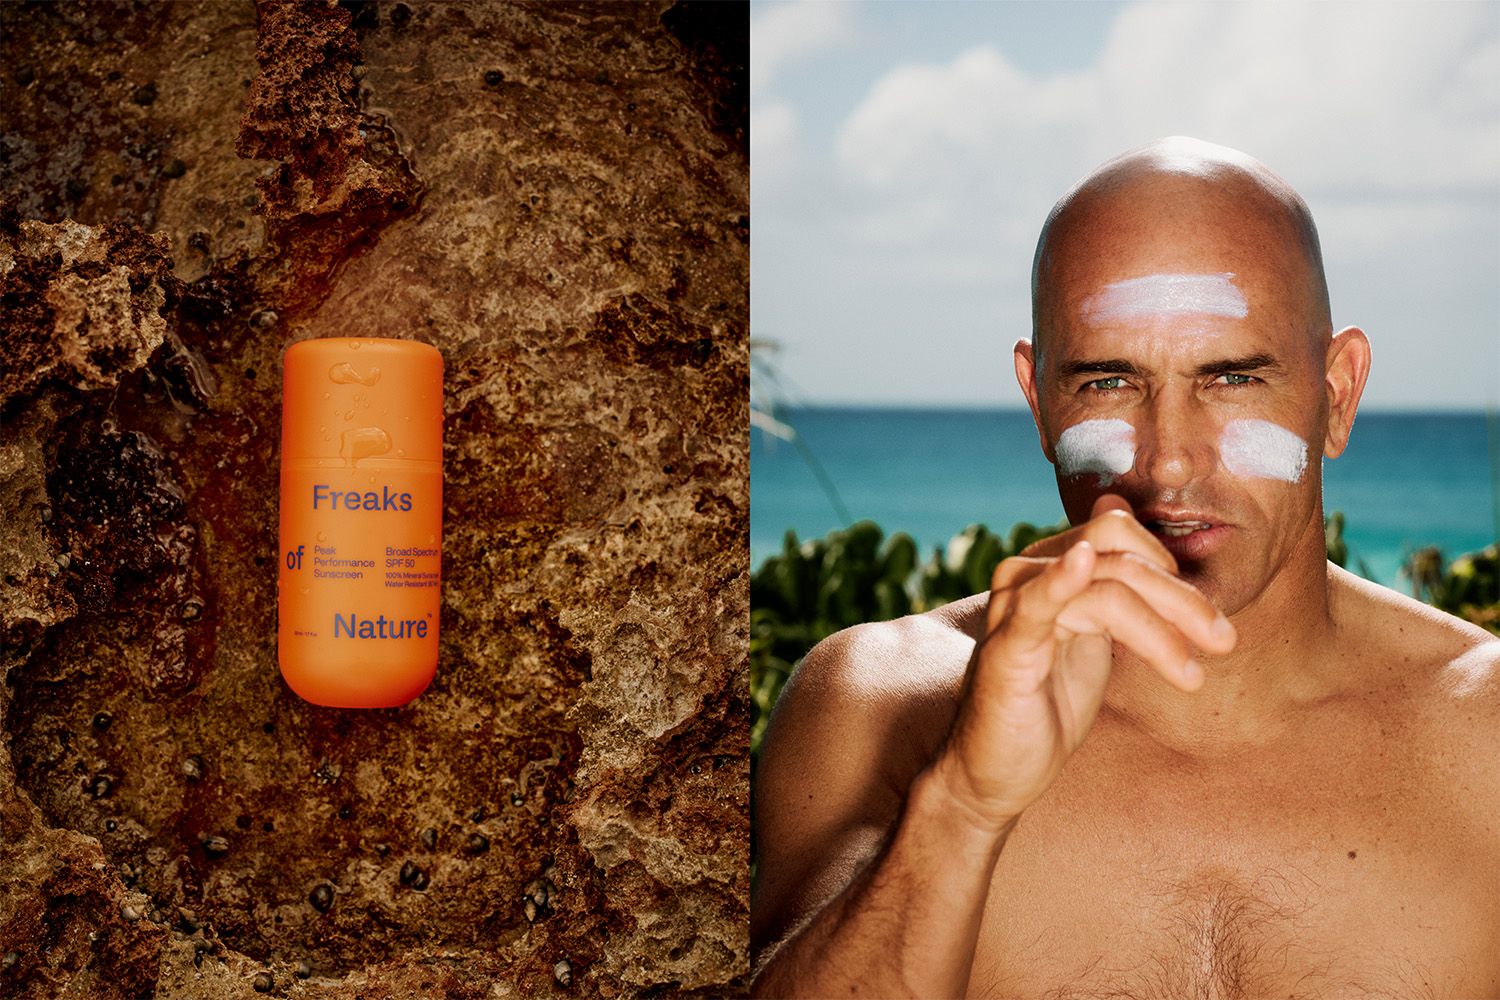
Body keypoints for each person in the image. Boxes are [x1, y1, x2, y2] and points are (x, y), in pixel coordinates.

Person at [749, 137, 1499, 999]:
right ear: (1039, 404)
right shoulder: (881, 702)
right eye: (1109, 383)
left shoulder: (1485, 736)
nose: (1168, 463)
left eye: (1231, 378)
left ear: (1338, 395)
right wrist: (962, 806)